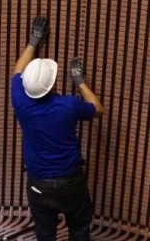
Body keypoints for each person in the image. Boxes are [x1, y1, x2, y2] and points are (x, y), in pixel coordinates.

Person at [11, 16, 105, 241]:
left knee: (45, 234)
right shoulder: (68, 105)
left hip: (38, 183)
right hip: (70, 182)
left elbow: (17, 70)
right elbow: (98, 109)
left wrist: (34, 41)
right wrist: (80, 82)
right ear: (52, 84)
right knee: (79, 230)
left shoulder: (19, 100)